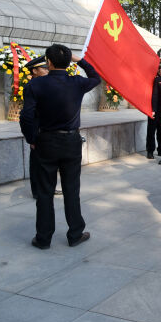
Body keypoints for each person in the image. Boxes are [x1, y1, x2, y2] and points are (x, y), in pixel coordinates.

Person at [20, 44, 100, 249]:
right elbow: (96, 77)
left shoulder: (35, 85)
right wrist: (80, 60)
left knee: (45, 192)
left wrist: (32, 139)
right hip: (71, 142)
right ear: (68, 62)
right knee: (71, 190)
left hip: (45, 141)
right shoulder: (77, 82)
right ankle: (75, 234)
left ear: (48, 62)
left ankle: (43, 238)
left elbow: (26, 116)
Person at [24, 56, 49, 200]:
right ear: (34, 71)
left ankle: (46, 188)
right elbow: (28, 115)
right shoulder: (31, 86)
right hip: (37, 129)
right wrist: (31, 138)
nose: (47, 70)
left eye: (48, 68)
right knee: (36, 162)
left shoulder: (45, 85)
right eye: (44, 68)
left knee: (47, 163)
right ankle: (37, 191)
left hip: (47, 129)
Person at [146, 63, 161, 160]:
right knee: (151, 132)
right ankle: (150, 151)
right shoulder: (151, 78)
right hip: (152, 109)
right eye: (159, 68)